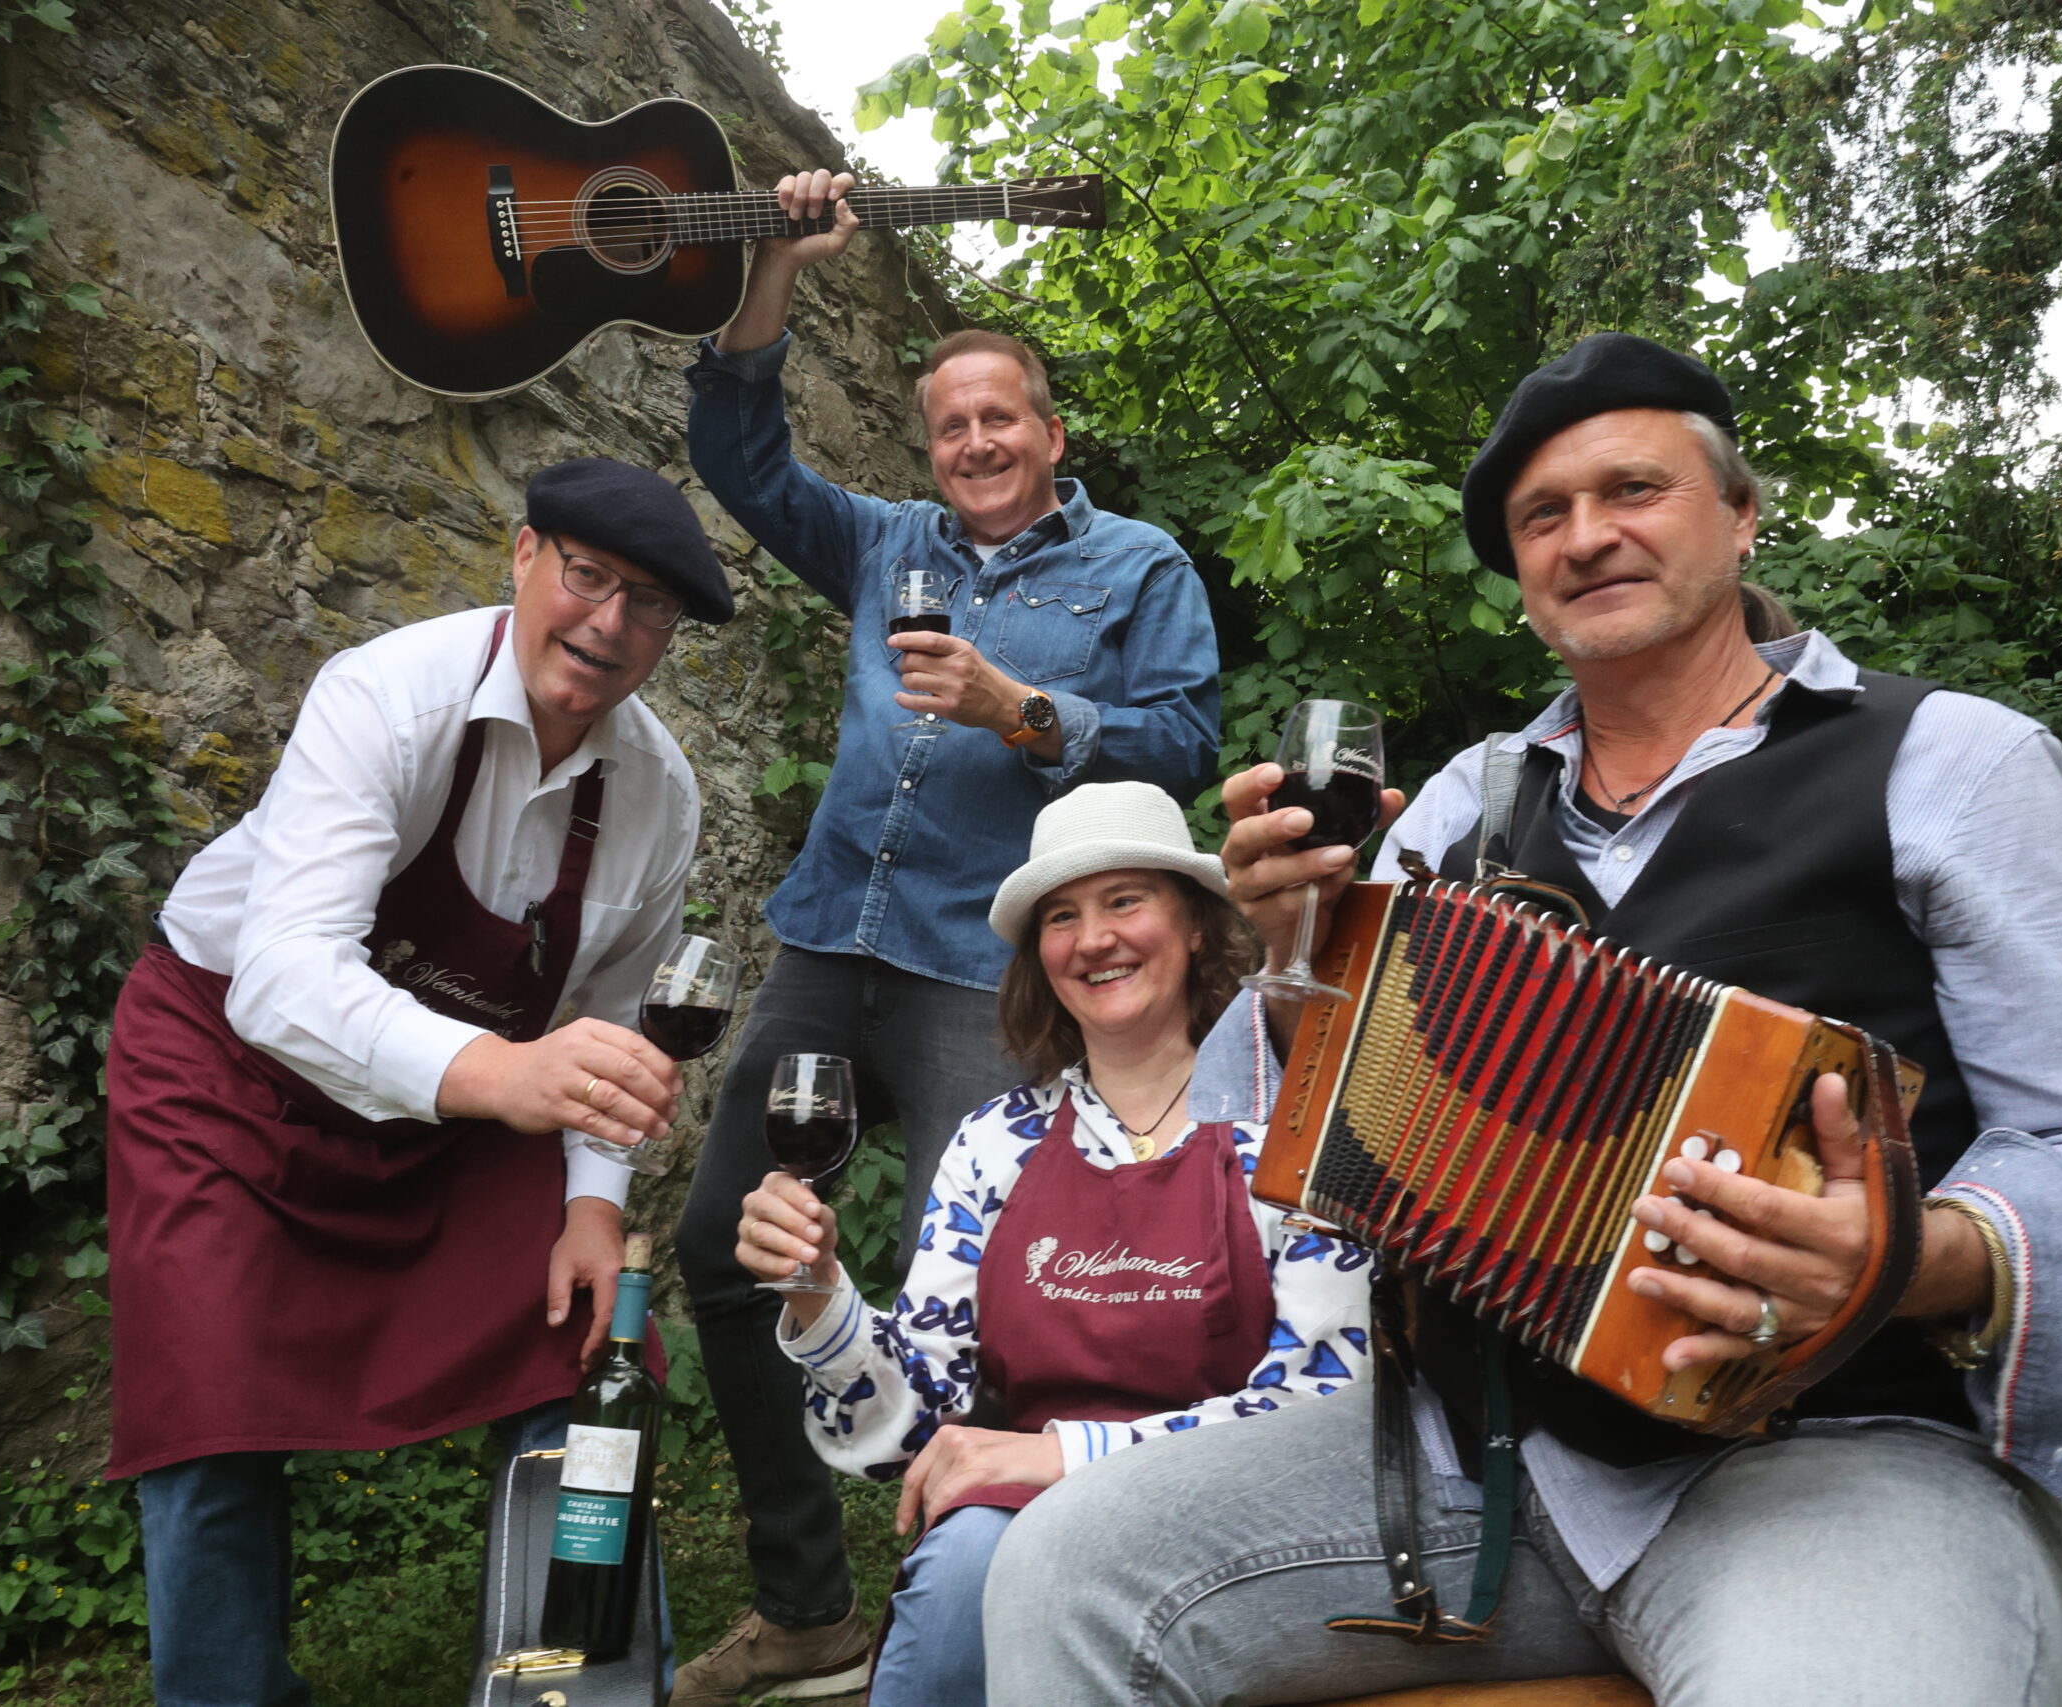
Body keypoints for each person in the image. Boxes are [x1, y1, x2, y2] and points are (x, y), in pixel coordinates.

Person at [981, 334, 2062, 1705]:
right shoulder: (1459, 804)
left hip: (1841, 1452)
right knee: (1061, 1571)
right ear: (1518, 577)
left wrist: (1908, 1255)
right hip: (1476, 1452)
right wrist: (1288, 957)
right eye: (1542, 516)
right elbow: (1272, 1140)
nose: (1587, 535)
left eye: (1635, 488)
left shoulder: (1952, 761)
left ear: (1741, 515)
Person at [673, 171, 1224, 1699]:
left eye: (1002, 418)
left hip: (980, 968)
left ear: (1052, 433)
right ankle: (805, 1600)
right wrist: (772, 261)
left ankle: (961, 1597)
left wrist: (1021, 708)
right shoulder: (884, 543)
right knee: (726, 1247)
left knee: (969, 1298)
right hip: (825, 940)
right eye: (951, 425)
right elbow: (737, 448)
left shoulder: (1138, 568)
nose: (975, 443)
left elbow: (1183, 739)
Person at [103, 459, 731, 1707]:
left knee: (589, 1352)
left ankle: (578, 1684)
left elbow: (607, 1020)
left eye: (648, 604)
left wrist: (593, 1205)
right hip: (228, 1075)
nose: (607, 623)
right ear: (523, 555)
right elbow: (279, 977)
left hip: (467, 1114)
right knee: (211, 1407)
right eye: (588, 575)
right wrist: (502, 1071)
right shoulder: (390, 694)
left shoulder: (661, 798)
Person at [729, 781, 1372, 1707]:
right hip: (1022, 1508)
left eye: (1124, 900)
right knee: (962, 1572)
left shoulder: (1292, 1124)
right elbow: (912, 1430)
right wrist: (817, 1294)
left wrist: (1068, 1456)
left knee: (1018, 1552)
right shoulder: (1000, 1139)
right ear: (1042, 958)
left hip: (1243, 1521)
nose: (1094, 938)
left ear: (1195, 926)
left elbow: (1324, 1401)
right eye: (1062, 916)